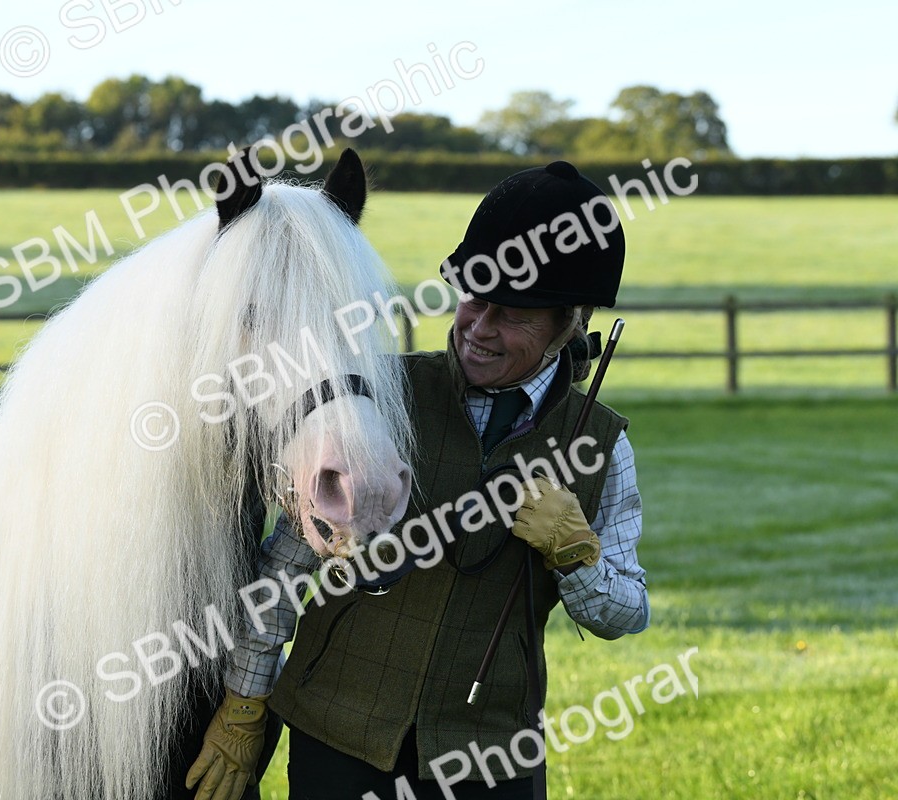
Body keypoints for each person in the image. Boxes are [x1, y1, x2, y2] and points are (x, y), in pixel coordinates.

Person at [186, 161, 649, 800]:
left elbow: (626, 613)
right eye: (473, 299)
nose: (478, 331)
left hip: (491, 759)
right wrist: (244, 705)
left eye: (512, 316)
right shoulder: (371, 398)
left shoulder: (602, 446)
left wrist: (577, 555)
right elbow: (282, 574)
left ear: (570, 321)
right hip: (337, 743)